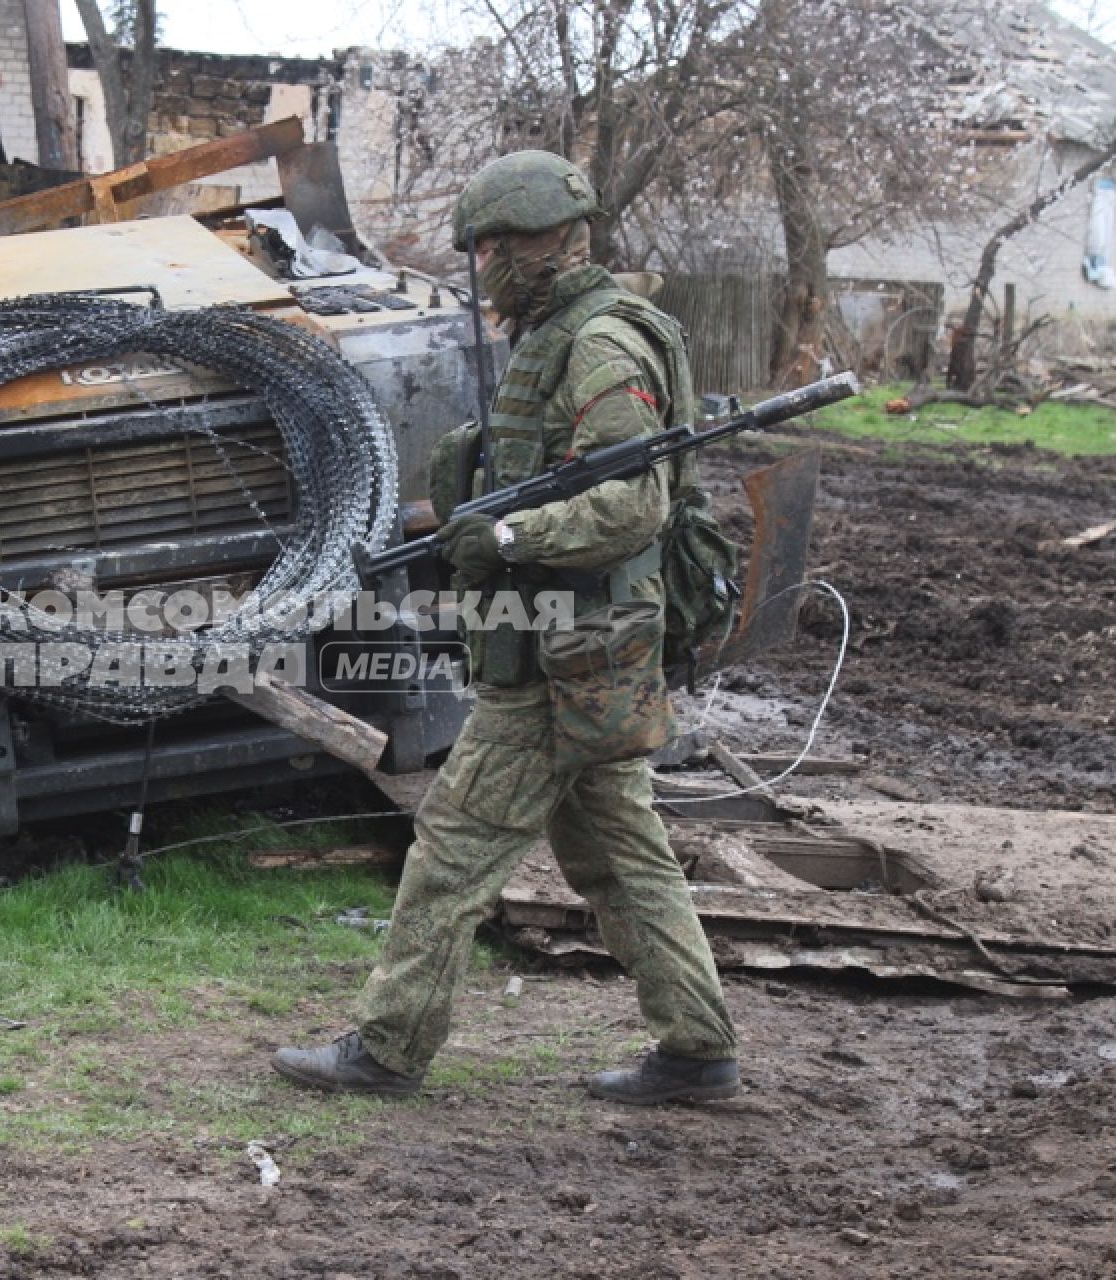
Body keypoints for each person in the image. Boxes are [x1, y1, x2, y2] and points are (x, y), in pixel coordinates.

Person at [272, 151, 740, 1106]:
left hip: (564, 657)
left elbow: (630, 506)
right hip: (580, 649)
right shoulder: (559, 336)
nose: (481, 267)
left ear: (537, 244)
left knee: (451, 848)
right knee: (621, 857)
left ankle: (388, 1048)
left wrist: (511, 534)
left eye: (489, 246)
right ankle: (697, 1050)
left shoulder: (602, 346)